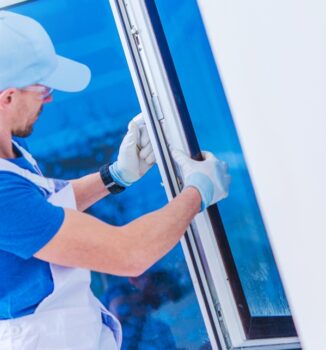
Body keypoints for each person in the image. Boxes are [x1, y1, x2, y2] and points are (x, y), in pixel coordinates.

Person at [0, 11, 231, 350]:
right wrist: (197, 192)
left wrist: (115, 175)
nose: (49, 98)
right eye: (43, 87)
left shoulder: (12, 151)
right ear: (7, 97)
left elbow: (43, 207)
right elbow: (129, 254)